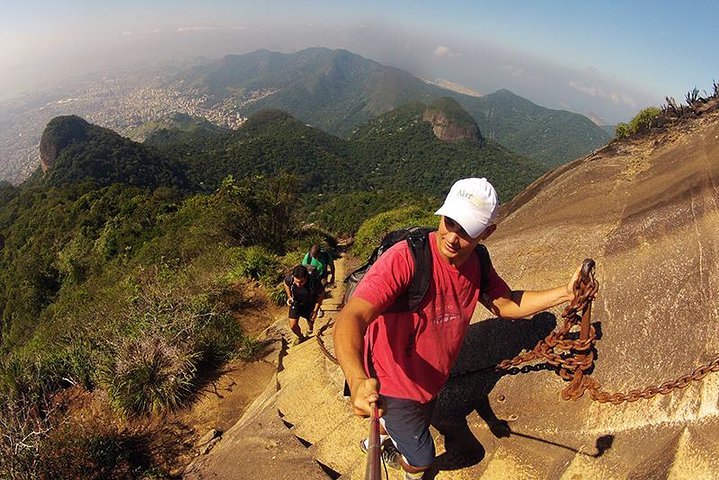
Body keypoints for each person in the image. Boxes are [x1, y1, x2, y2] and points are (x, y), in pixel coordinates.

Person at [333, 177, 583, 480]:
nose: (452, 236)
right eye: (449, 222)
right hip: (393, 381)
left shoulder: (477, 262)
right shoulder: (406, 258)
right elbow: (353, 316)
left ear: (487, 232)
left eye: (466, 230)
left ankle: (383, 435)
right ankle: (399, 459)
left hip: (431, 380)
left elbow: (505, 304)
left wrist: (565, 294)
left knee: (409, 423)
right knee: (422, 459)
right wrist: (357, 379)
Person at [284, 265, 325, 346]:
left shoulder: (314, 282)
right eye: (296, 281)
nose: (298, 284)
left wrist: (315, 310)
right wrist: (289, 297)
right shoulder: (290, 279)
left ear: (306, 277)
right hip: (296, 302)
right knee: (293, 325)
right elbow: (285, 283)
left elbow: (321, 295)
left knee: (310, 319)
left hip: (309, 303)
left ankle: (310, 329)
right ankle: (301, 337)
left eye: (301, 282)